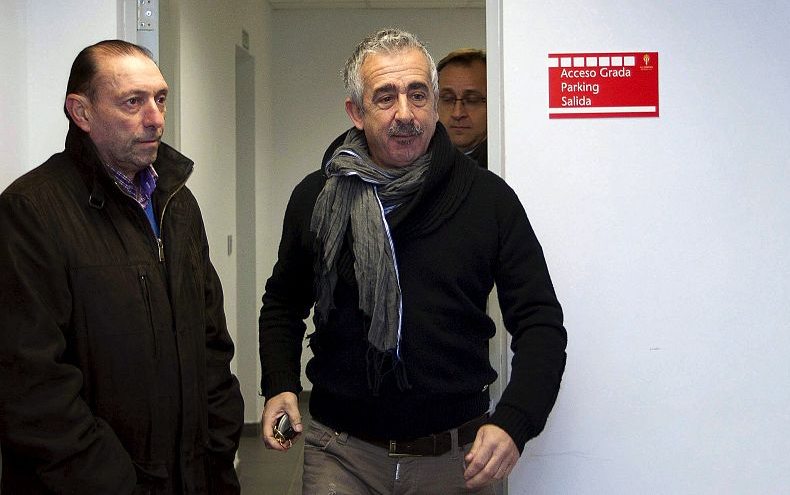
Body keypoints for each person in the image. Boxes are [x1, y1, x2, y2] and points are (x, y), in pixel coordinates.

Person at [259, 29, 566, 493]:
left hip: (456, 457)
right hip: (340, 451)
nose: (406, 113)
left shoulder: (488, 200)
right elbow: (283, 304)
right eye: (385, 97)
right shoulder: (315, 198)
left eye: (418, 95)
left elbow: (540, 321)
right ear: (356, 113)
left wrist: (515, 420)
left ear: (434, 103)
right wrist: (279, 383)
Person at [0, 40, 244, 494]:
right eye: (133, 102)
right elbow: (31, 385)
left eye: (160, 98)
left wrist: (218, 449)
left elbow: (211, 343)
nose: (155, 118)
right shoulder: (31, 211)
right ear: (82, 112)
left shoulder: (178, 205)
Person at [437, 48, 488, 168]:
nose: (457, 113)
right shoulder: (414, 160)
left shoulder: (504, 165)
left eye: (471, 100)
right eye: (448, 99)